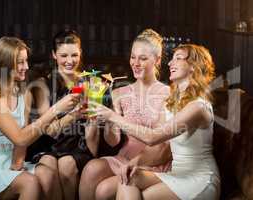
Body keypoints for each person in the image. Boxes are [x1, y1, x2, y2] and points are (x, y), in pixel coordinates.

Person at [92, 44, 221, 200]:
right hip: (178, 172)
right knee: (127, 178)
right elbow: (158, 143)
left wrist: (111, 116)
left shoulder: (198, 107)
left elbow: (153, 137)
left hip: (200, 178)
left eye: (178, 58)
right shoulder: (172, 102)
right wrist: (135, 162)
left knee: (129, 186)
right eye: (171, 59)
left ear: (194, 67)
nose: (170, 63)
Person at [0, 36, 80, 200]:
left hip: (8, 162)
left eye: (26, 61)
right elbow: (20, 138)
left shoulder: (23, 94)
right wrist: (56, 109)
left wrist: (17, 164)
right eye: (20, 62)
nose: (26, 66)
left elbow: (24, 136)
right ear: (4, 64)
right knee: (29, 183)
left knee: (47, 174)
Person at [28, 29, 124, 200]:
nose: (69, 61)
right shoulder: (43, 85)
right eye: (63, 55)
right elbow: (49, 131)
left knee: (66, 164)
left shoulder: (92, 82)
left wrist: (98, 108)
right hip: (50, 145)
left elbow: (99, 126)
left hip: (80, 145)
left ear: (81, 53)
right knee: (47, 165)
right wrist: (74, 113)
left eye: (74, 55)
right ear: (54, 55)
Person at [79, 29, 172, 200]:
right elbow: (113, 140)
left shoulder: (168, 94)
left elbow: (163, 148)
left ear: (157, 60)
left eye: (143, 58)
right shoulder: (119, 93)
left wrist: (113, 117)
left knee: (103, 191)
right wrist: (103, 117)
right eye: (133, 57)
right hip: (123, 157)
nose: (135, 63)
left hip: (151, 163)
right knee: (91, 169)